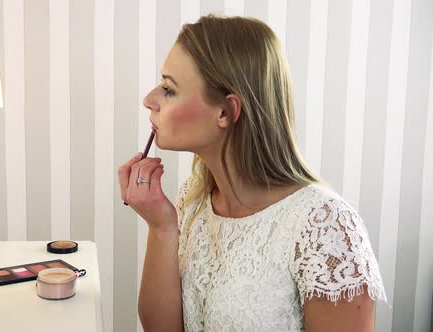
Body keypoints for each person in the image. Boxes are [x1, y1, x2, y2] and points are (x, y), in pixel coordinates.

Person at [117, 15, 386, 332]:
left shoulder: (326, 229)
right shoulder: (194, 200)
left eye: (168, 89)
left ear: (225, 111)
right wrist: (161, 226)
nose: (149, 99)